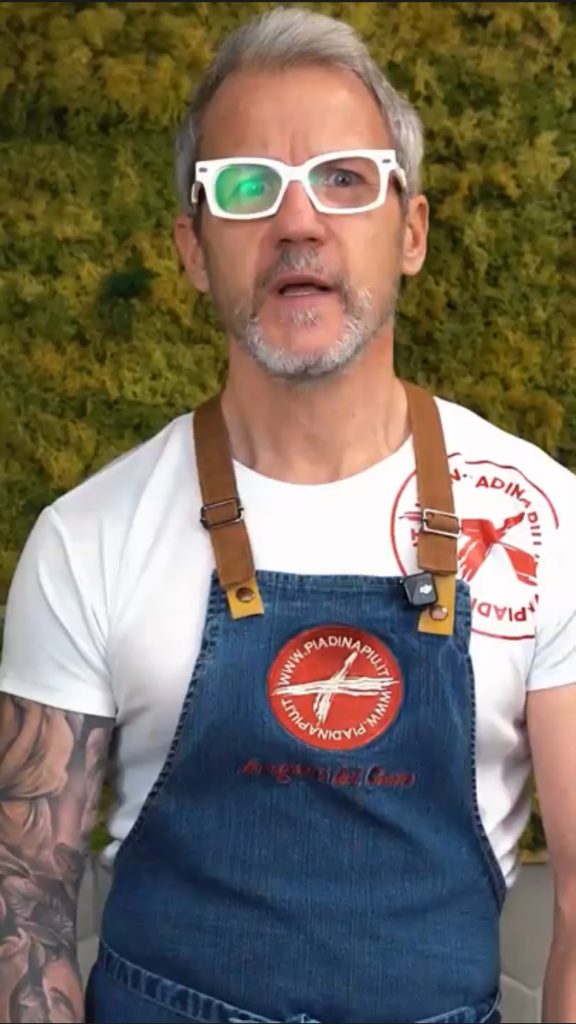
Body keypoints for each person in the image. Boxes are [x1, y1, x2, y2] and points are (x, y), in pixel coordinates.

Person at [0, 6, 575, 1023]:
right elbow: (24, 908)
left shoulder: (547, 524)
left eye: (344, 178)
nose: (298, 222)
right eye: (247, 186)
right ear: (193, 249)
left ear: (411, 232)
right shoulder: (87, 539)